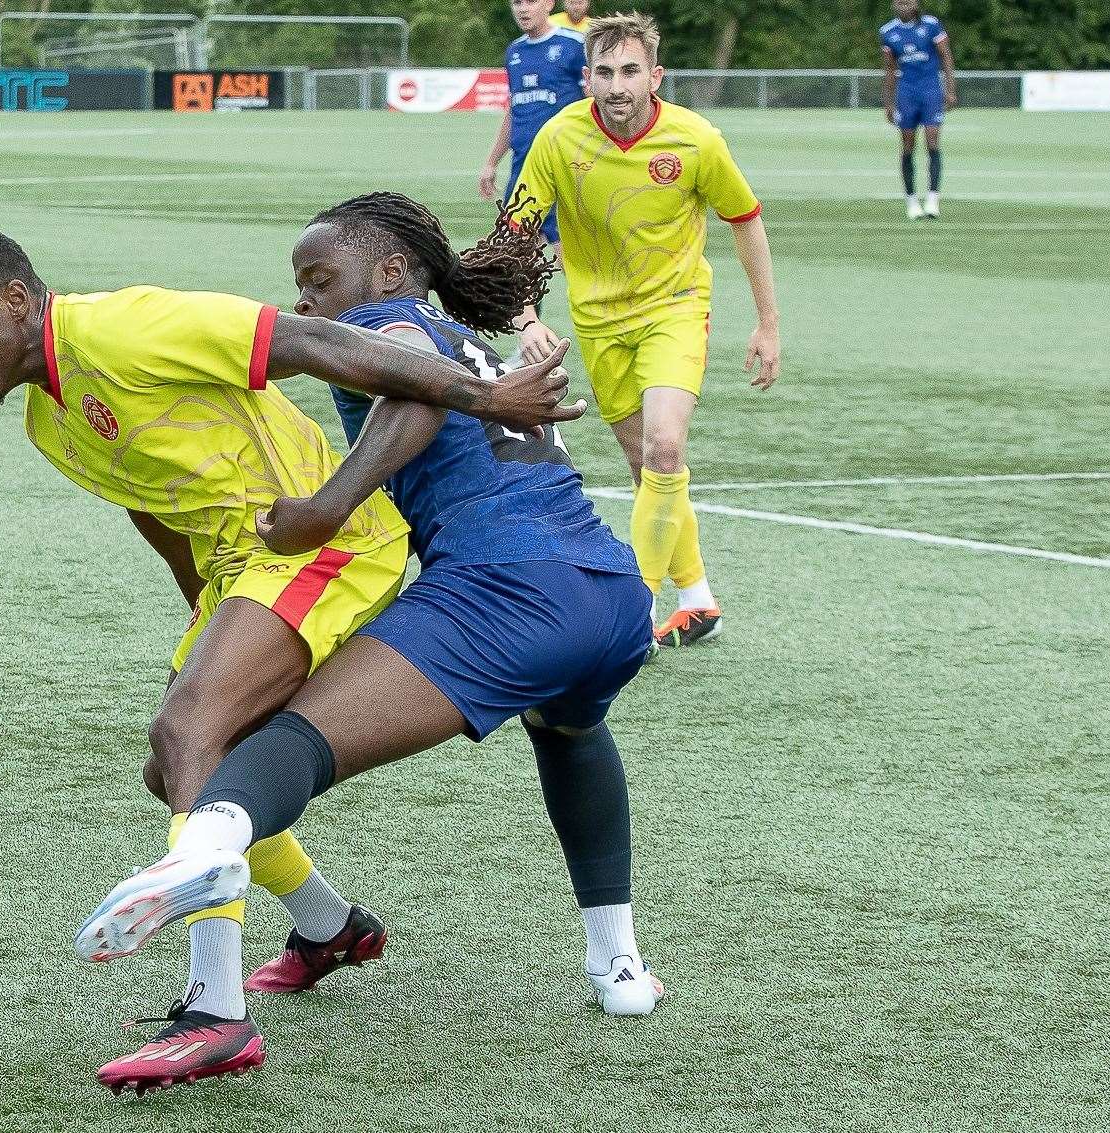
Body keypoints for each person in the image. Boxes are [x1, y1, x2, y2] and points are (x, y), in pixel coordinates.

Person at [0, 228, 588, 1092]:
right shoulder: (51, 418)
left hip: (326, 543)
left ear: (15, 301)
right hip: (245, 570)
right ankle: (329, 926)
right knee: (173, 768)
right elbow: (153, 506)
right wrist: (203, 609)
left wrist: (479, 396)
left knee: (192, 728)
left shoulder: (125, 326)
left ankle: (214, 1014)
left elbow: (313, 341)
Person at [77, 192, 662, 1085]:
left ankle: (202, 855)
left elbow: (407, 380)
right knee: (571, 734)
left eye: (319, 280)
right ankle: (617, 966)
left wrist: (325, 506)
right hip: (609, 593)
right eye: (297, 287)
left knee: (279, 745)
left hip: (503, 589)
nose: (306, 304)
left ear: (390, 273)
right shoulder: (462, 339)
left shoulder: (394, 324)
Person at [505, 11, 782, 649]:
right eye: (604, 72)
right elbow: (514, 239)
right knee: (643, 465)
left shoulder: (696, 140)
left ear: (656, 76)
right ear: (585, 80)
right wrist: (526, 321)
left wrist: (767, 323)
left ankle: (630, 615)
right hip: (599, 322)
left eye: (631, 71)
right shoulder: (557, 140)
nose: (618, 85)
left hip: (675, 308)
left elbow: (745, 218)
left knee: (663, 445)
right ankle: (698, 598)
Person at [479, 0, 585, 267]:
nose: (522, 9)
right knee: (513, 264)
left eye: (531, 1)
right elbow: (513, 110)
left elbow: (594, 102)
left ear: (549, 4)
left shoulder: (575, 45)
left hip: (562, 166)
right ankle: (526, 309)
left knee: (572, 262)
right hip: (522, 168)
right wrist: (492, 162)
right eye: (517, 2)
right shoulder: (515, 52)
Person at [880, 0, 955, 220]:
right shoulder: (888, 31)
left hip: (931, 90)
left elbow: (946, 57)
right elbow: (890, 70)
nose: (904, 6)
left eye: (908, 2)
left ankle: (933, 198)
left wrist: (950, 90)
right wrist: (888, 102)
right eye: (899, 2)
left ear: (915, 4)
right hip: (907, 93)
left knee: (932, 143)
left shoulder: (931, 25)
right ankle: (911, 200)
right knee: (907, 146)